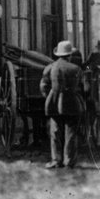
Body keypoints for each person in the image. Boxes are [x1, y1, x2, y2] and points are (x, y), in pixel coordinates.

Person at [40, 40, 86, 169]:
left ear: (58, 54)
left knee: (55, 132)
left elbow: (43, 86)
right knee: (71, 133)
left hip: (53, 103)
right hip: (72, 103)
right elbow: (84, 88)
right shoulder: (76, 69)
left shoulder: (49, 68)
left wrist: (50, 96)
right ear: (69, 55)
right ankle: (69, 161)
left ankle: (56, 160)